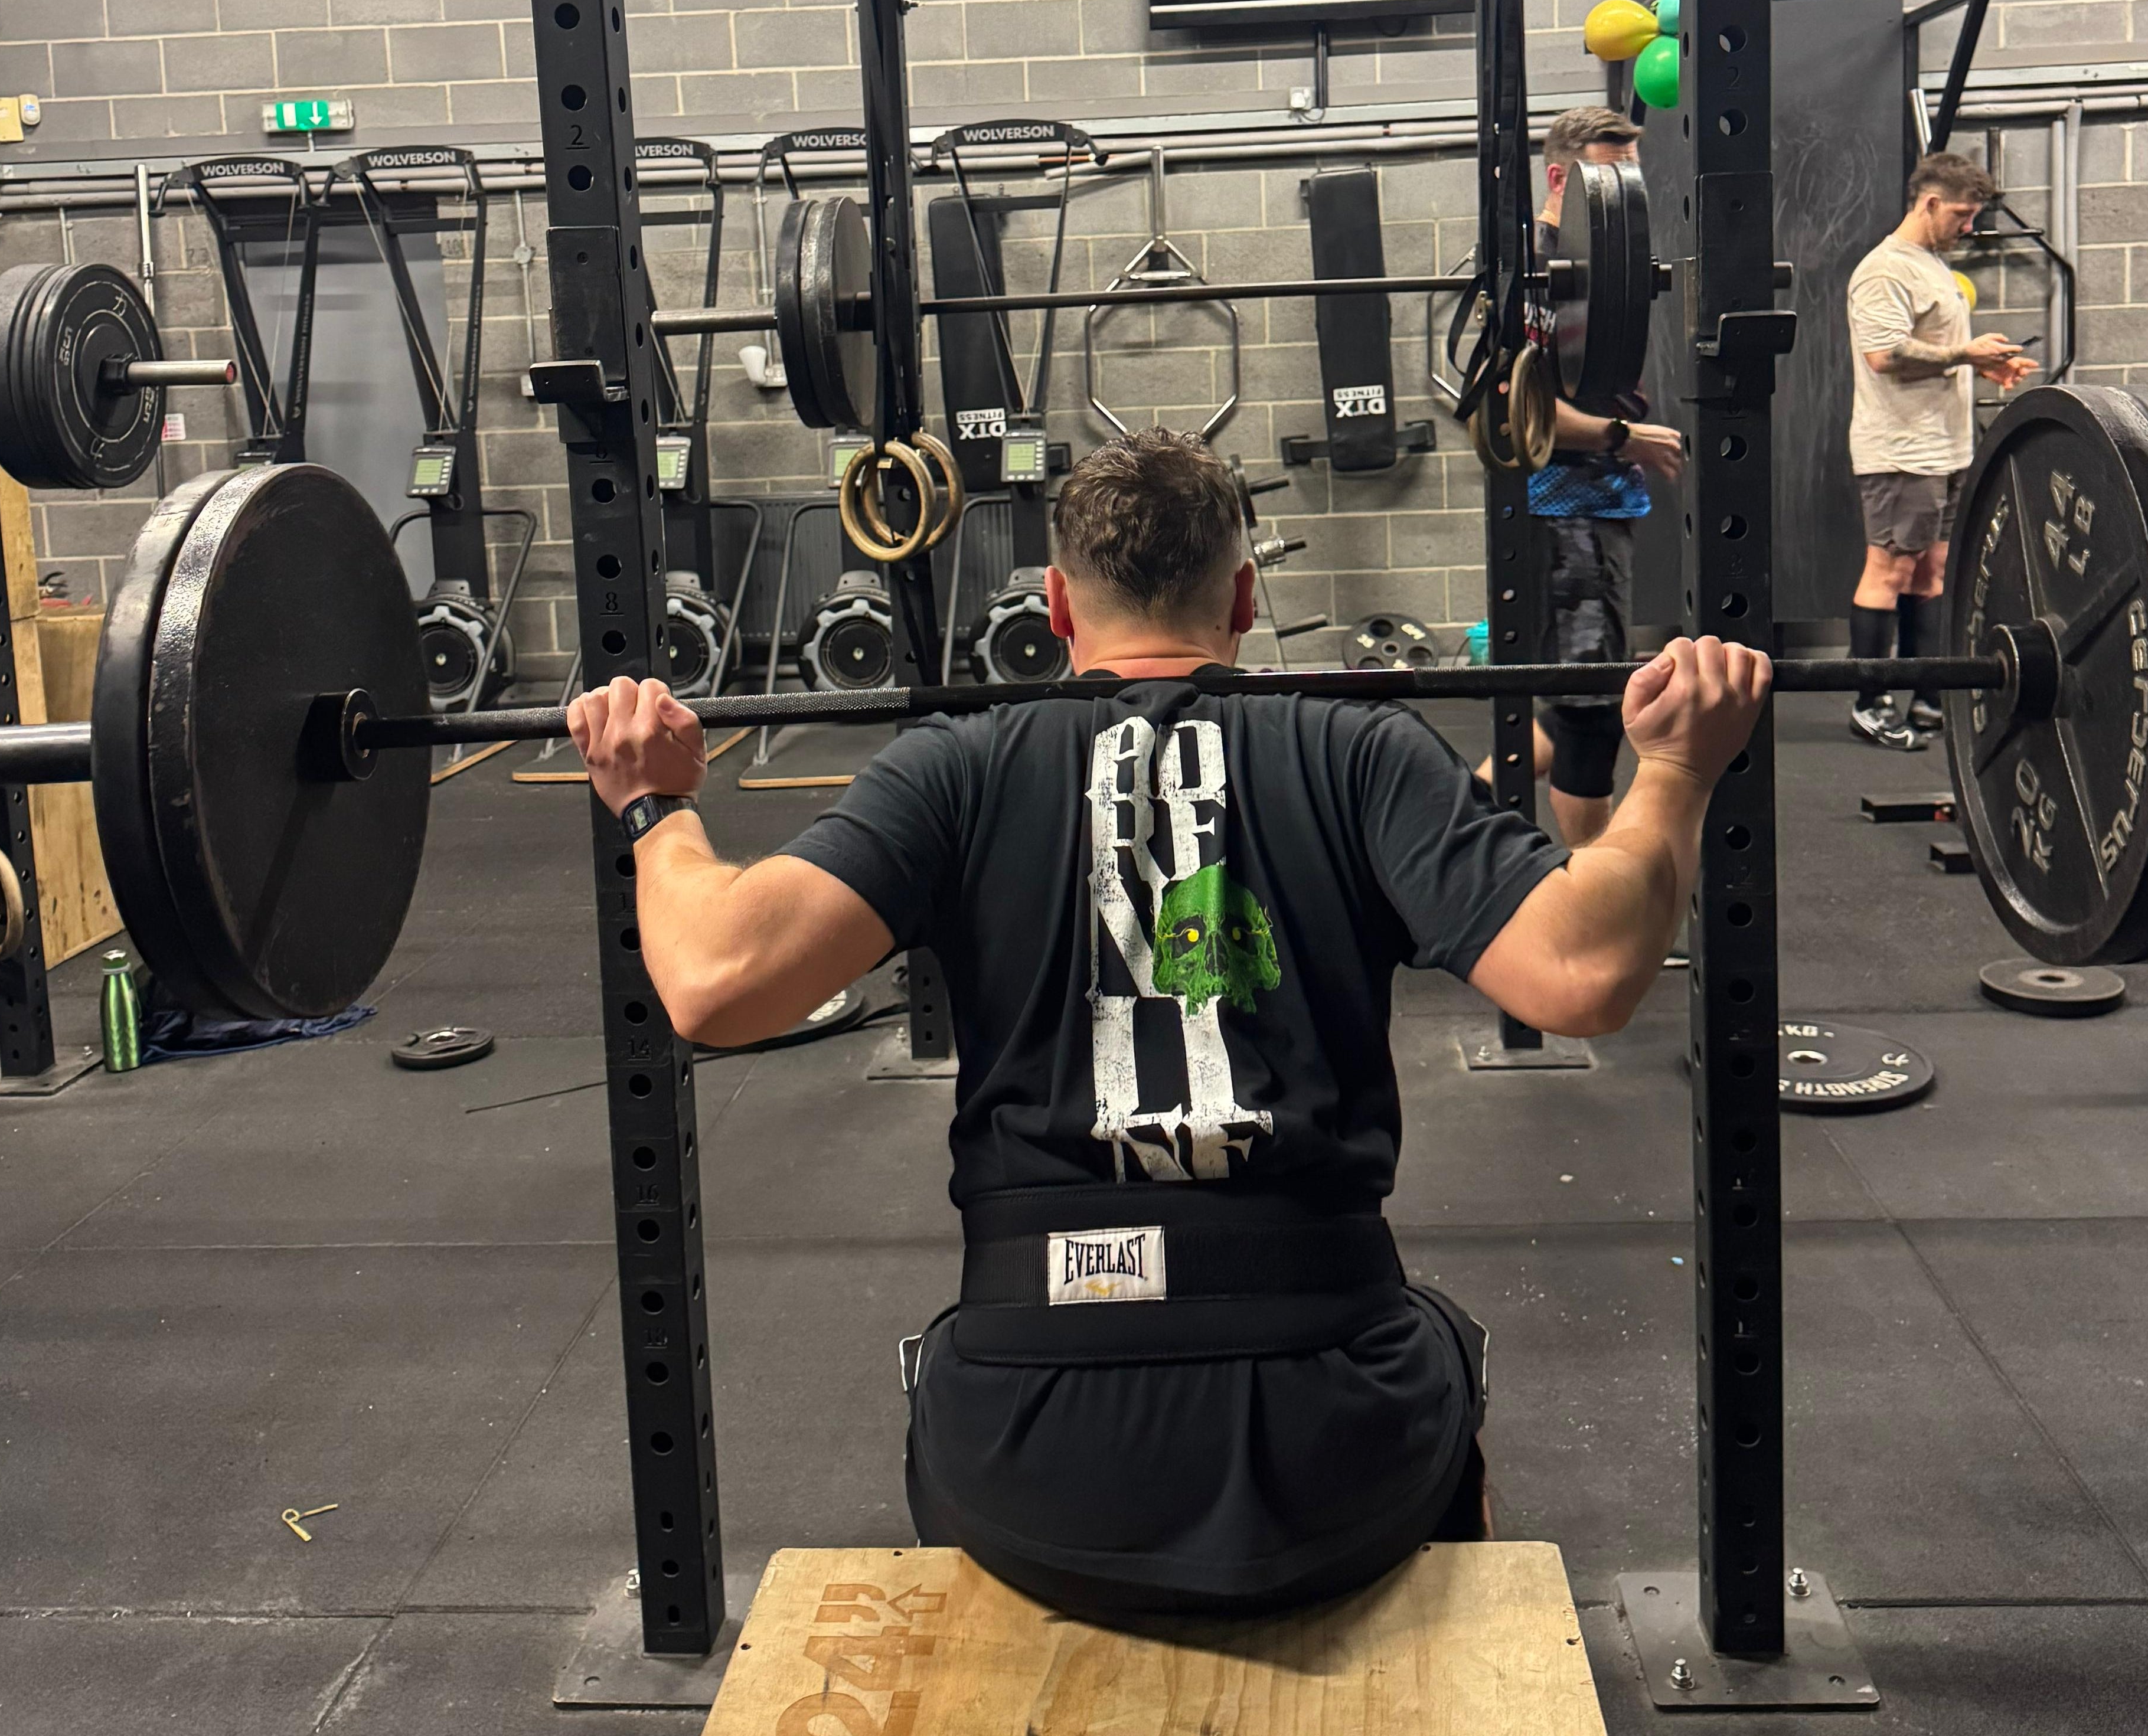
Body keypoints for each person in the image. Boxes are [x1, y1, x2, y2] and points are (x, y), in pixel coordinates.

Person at [567, 427, 1770, 1620]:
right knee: (1448, 1344)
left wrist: (653, 806)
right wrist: (1675, 769)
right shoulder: (1361, 750)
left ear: (1055, 604)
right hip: (1336, 1443)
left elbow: (714, 982)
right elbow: (1589, 971)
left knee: (952, 1375)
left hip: (1027, 1460)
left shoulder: (955, 766)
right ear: (1246, 597)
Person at [1471, 107, 1684, 846]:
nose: (1626, 187)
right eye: (1611, 172)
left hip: (1597, 508)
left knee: (1559, 711)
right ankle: (1592, 892)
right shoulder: (1537, 270)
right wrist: (1624, 436)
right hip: (1564, 515)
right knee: (1591, 712)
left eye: (1631, 172)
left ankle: (1452, 825)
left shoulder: (1594, 261)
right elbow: (1517, 411)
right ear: (1563, 176)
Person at [1844, 151, 2036, 750]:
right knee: (1891, 569)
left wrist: (1986, 368)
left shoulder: (1930, 265)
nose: (1968, 226)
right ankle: (1870, 702)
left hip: (1945, 447)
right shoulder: (1884, 270)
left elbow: (1937, 353)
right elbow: (1884, 356)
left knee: (1934, 571)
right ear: (1929, 203)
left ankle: (1928, 697)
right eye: (1961, 214)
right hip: (1901, 452)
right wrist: (1966, 355)